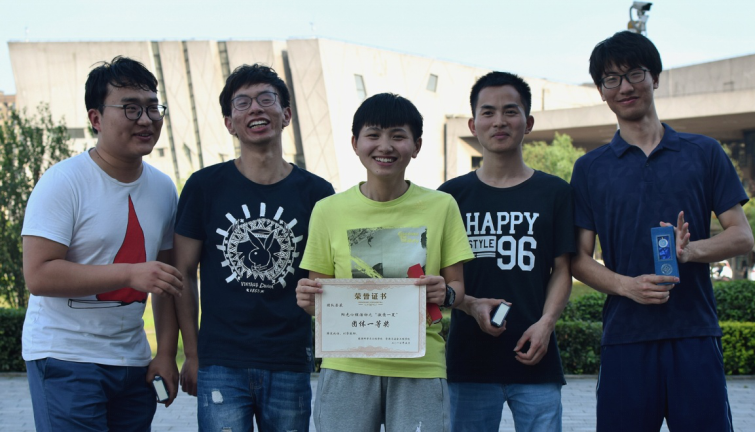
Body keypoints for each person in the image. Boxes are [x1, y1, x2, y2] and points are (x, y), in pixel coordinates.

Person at [570, 31, 754, 432]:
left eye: (634, 73)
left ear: (655, 77)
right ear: (601, 92)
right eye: (611, 79)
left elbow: (742, 235)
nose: (625, 87)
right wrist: (627, 286)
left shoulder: (703, 152)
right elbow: (578, 259)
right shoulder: (590, 168)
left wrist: (691, 251)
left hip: (695, 333)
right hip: (625, 337)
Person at [295, 93, 474, 432]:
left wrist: (446, 293)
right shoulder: (328, 210)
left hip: (420, 366)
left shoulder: (442, 206)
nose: (385, 146)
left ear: (416, 145)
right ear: (355, 143)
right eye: (373, 134)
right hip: (347, 363)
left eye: (398, 135)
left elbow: (457, 288)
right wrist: (308, 299)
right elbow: (318, 300)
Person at [21, 56, 182, 431]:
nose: (146, 120)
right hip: (65, 357)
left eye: (153, 107)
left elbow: (166, 280)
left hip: (132, 362)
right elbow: (38, 275)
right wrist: (129, 273)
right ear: (95, 118)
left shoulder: (163, 188)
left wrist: (165, 353)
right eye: (130, 108)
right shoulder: (63, 182)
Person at [173, 64, 334, 432]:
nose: (256, 109)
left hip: (289, 359)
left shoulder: (318, 193)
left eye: (266, 99)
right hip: (221, 361)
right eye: (242, 103)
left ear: (286, 114)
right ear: (229, 123)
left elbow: (327, 281)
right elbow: (182, 273)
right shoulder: (204, 186)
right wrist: (192, 354)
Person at [438, 71, 575, 432]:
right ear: (473, 125)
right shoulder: (449, 196)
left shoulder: (555, 192)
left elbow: (563, 268)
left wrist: (546, 324)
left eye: (510, 111)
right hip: (468, 364)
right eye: (488, 112)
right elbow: (439, 279)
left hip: (536, 359)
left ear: (528, 123)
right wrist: (470, 305)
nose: (499, 121)